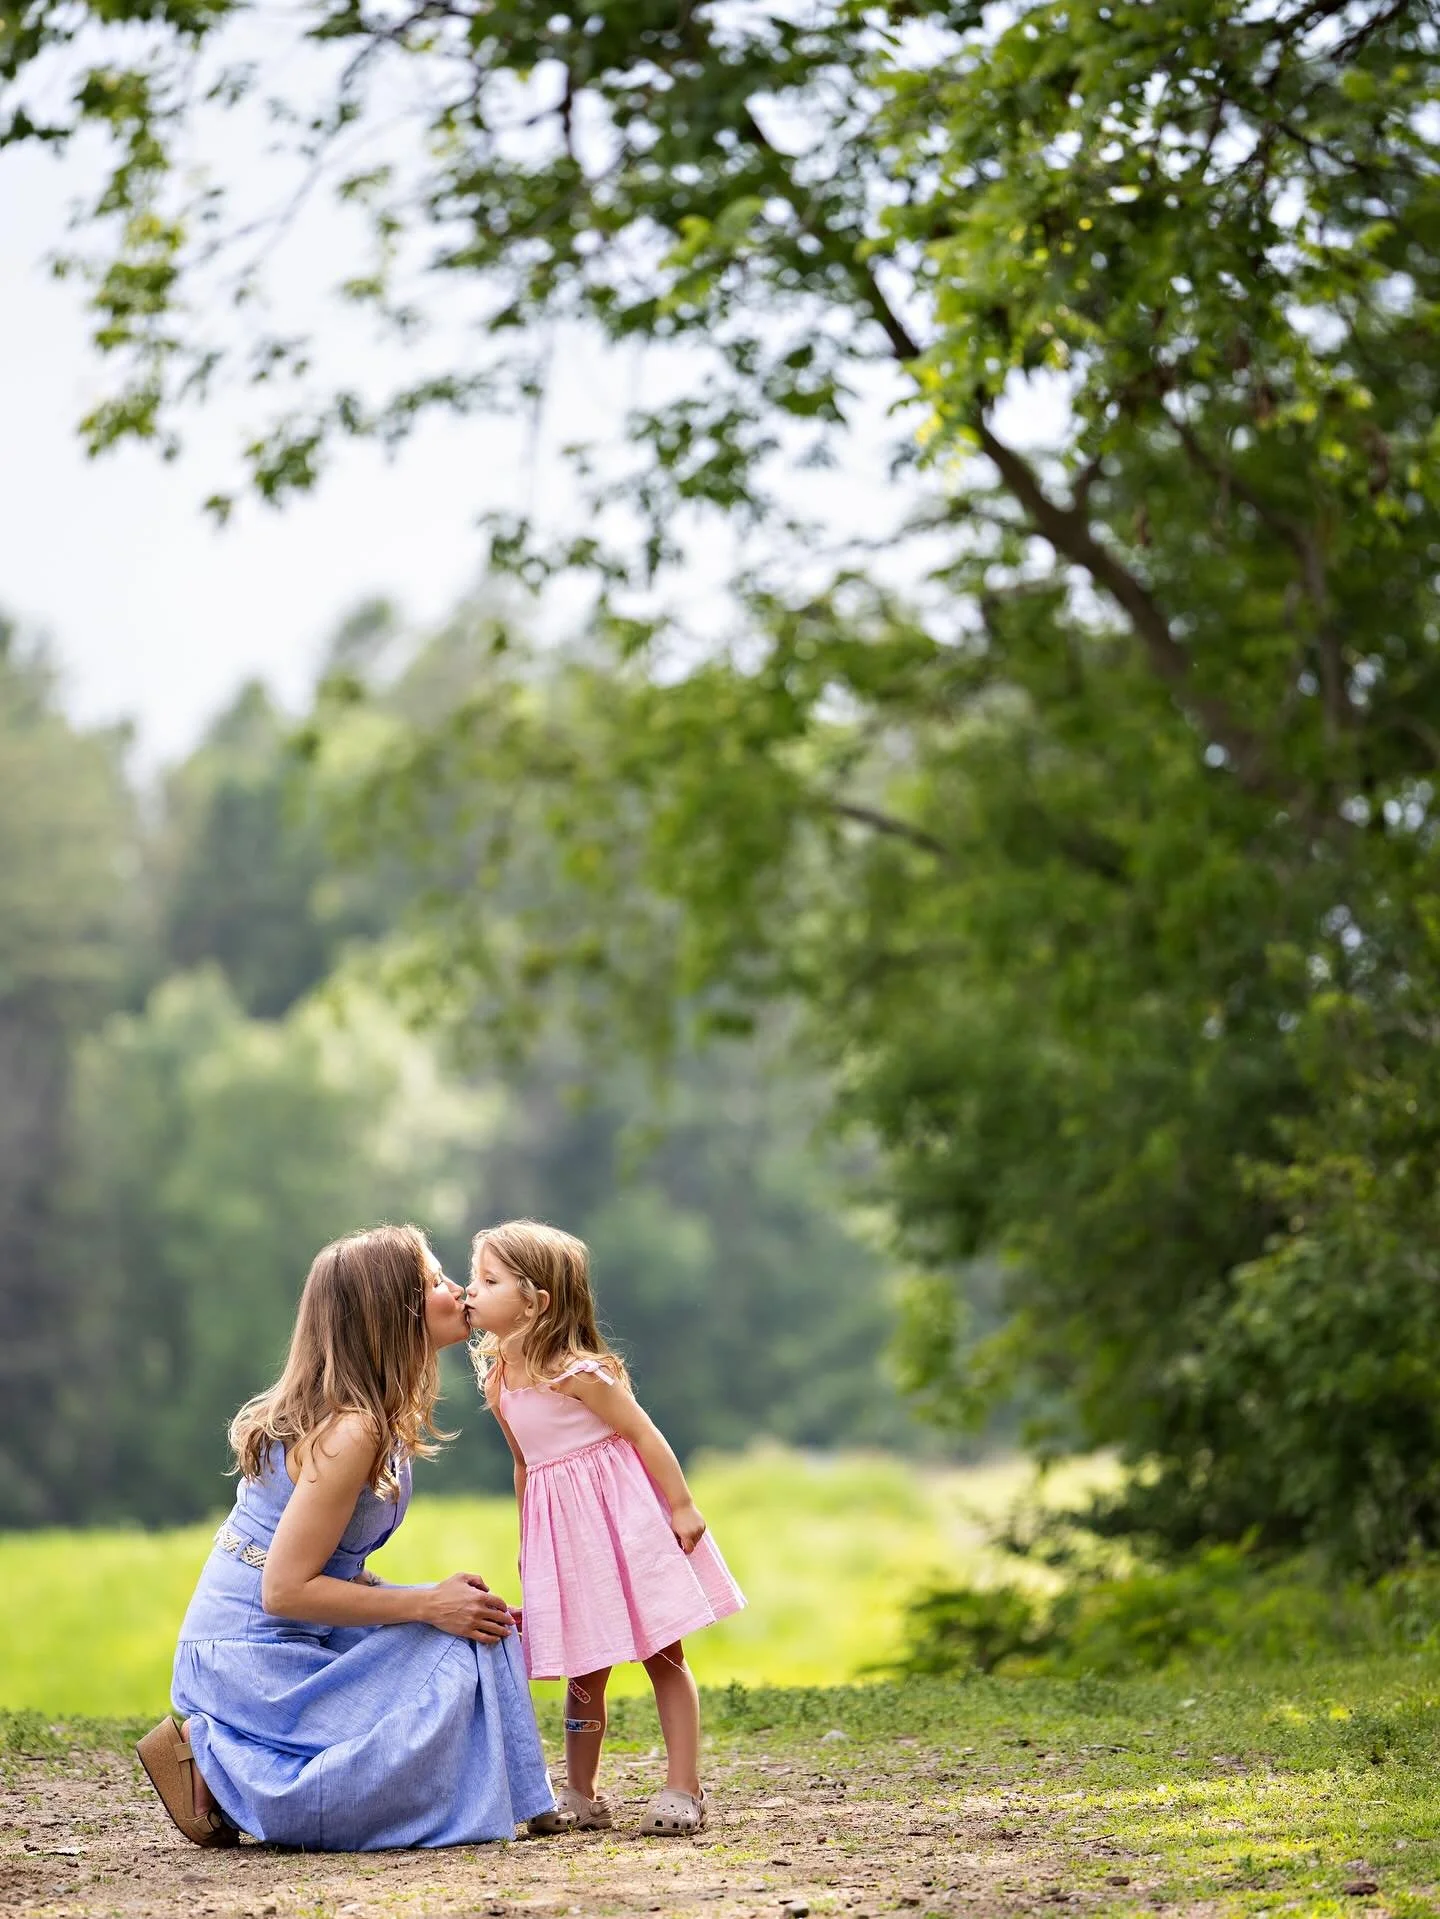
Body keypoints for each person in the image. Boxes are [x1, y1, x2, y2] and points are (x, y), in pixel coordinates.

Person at [135, 1223, 571, 1850]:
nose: (457, 1292)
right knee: (456, 1655)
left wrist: (440, 1604)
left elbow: (334, 1565)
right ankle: (218, 1767)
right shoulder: (352, 1430)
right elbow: (284, 1590)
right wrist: (425, 1605)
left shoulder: (379, 1418)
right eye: (434, 1282)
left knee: (481, 1633)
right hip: (251, 1660)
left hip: (303, 1637)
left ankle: (531, 1804)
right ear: (392, 1313)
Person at [465, 1218, 745, 1838]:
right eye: (472, 1279)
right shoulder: (498, 1381)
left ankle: (684, 1787)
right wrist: (526, 1542)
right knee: (583, 1666)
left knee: (662, 1653)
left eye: (488, 1280)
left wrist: (682, 1504)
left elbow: (643, 1433)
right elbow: (523, 1464)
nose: (471, 1292)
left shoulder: (580, 1374)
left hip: (624, 1524)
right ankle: (581, 1791)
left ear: (535, 1300)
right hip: (563, 1538)